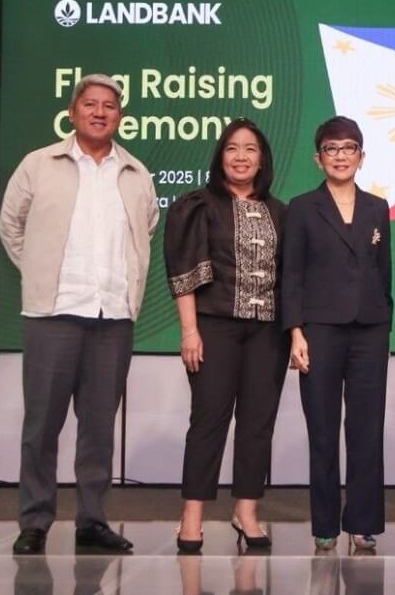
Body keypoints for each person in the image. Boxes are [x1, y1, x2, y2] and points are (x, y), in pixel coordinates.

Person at [0, 73, 159, 555]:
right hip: (53, 313)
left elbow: (148, 228)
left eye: (109, 105)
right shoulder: (39, 164)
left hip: (113, 317)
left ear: (120, 117)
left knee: (98, 428)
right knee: (41, 426)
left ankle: (92, 521)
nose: (99, 112)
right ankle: (34, 521)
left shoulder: (136, 173)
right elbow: (11, 226)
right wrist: (41, 270)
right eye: (90, 104)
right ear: (72, 112)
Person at [163, 118, 287, 553]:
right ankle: (192, 517)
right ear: (220, 157)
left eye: (250, 149)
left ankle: (246, 512)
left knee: (257, 424)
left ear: (262, 159)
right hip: (213, 327)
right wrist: (189, 331)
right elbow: (184, 273)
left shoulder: (280, 211)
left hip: (268, 332)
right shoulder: (198, 205)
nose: (241, 156)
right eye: (232, 148)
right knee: (209, 421)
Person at [281, 116, 392, 551]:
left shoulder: (378, 207)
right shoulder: (302, 207)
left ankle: (363, 522)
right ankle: (325, 524)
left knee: (367, 429)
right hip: (319, 331)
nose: (340, 156)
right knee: (323, 430)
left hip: (370, 331)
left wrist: (384, 324)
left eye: (349, 148)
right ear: (318, 158)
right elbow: (291, 275)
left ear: (362, 157)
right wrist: (295, 332)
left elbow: (383, 273)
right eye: (332, 148)